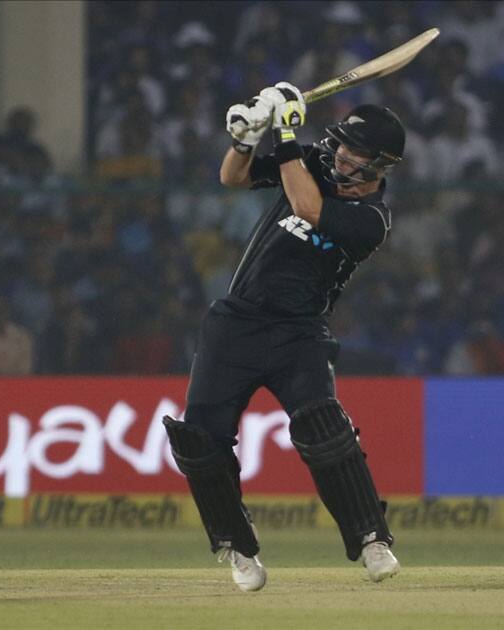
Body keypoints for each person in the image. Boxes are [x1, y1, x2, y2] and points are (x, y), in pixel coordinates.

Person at [163, 81, 405, 591]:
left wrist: (286, 130)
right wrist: (246, 139)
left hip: (299, 332)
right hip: (235, 323)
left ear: (379, 166)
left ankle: (371, 538)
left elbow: (308, 210)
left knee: (323, 430)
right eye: (340, 143)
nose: (340, 155)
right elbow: (233, 178)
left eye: (355, 152)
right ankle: (237, 546)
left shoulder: (372, 221)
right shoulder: (315, 159)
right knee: (200, 440)